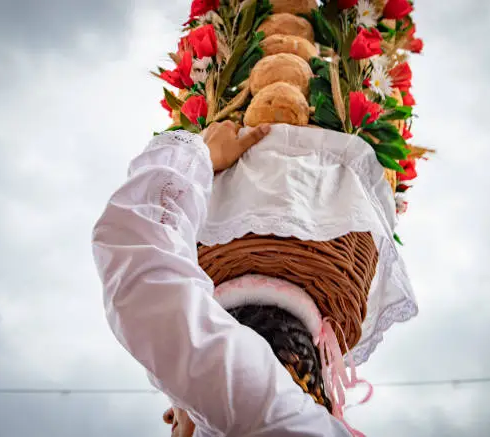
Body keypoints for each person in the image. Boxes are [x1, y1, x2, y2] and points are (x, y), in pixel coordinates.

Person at [92, 121, 353, 436]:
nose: (168, 416)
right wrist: (201, 155)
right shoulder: (264, 411)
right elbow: (141, 273)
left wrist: (197, 157)